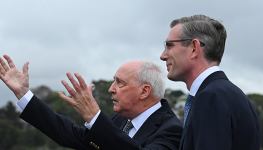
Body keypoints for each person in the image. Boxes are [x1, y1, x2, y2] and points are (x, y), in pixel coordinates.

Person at [0, 54, 182, 150]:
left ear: (144, 91)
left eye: (120, 82)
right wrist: (24, 94)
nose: (111, 88)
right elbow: (69, 135)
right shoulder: (121, 121)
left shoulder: (171, 130)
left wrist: (95, 117)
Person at [160, 15, 261, 150]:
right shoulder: (228, 94)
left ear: (194, 48)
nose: (163, 55)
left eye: (169, 45)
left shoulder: (211, 98)